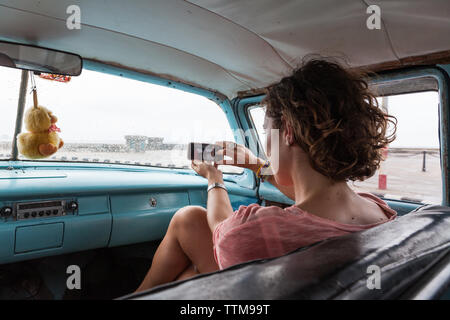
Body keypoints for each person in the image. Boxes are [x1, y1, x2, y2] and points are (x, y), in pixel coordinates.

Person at [135, 57, 398, 292]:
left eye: (266, 131)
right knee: (189, 249)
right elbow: (314, 195)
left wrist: (214, 178)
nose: (266, 144)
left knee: (187, 231)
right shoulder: (378, 209)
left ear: (288, 133)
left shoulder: (260, 231)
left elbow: (222, 232)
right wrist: (256, 166)